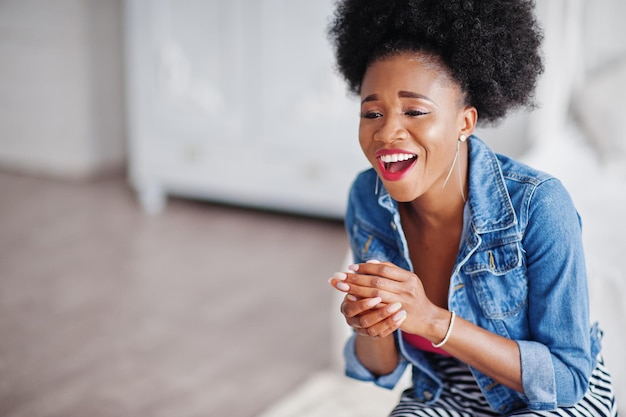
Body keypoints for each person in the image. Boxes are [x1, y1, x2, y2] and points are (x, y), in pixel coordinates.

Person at [326, 1, 618, 415]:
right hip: (448, 390)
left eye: (415, 111)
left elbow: (566, 378)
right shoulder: (366, 199)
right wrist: (368, 323)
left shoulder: (539, 204)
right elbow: (383, 369)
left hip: (552, 396)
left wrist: (431, 320)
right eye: (372, 112)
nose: (387, 131)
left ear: (465, 122)